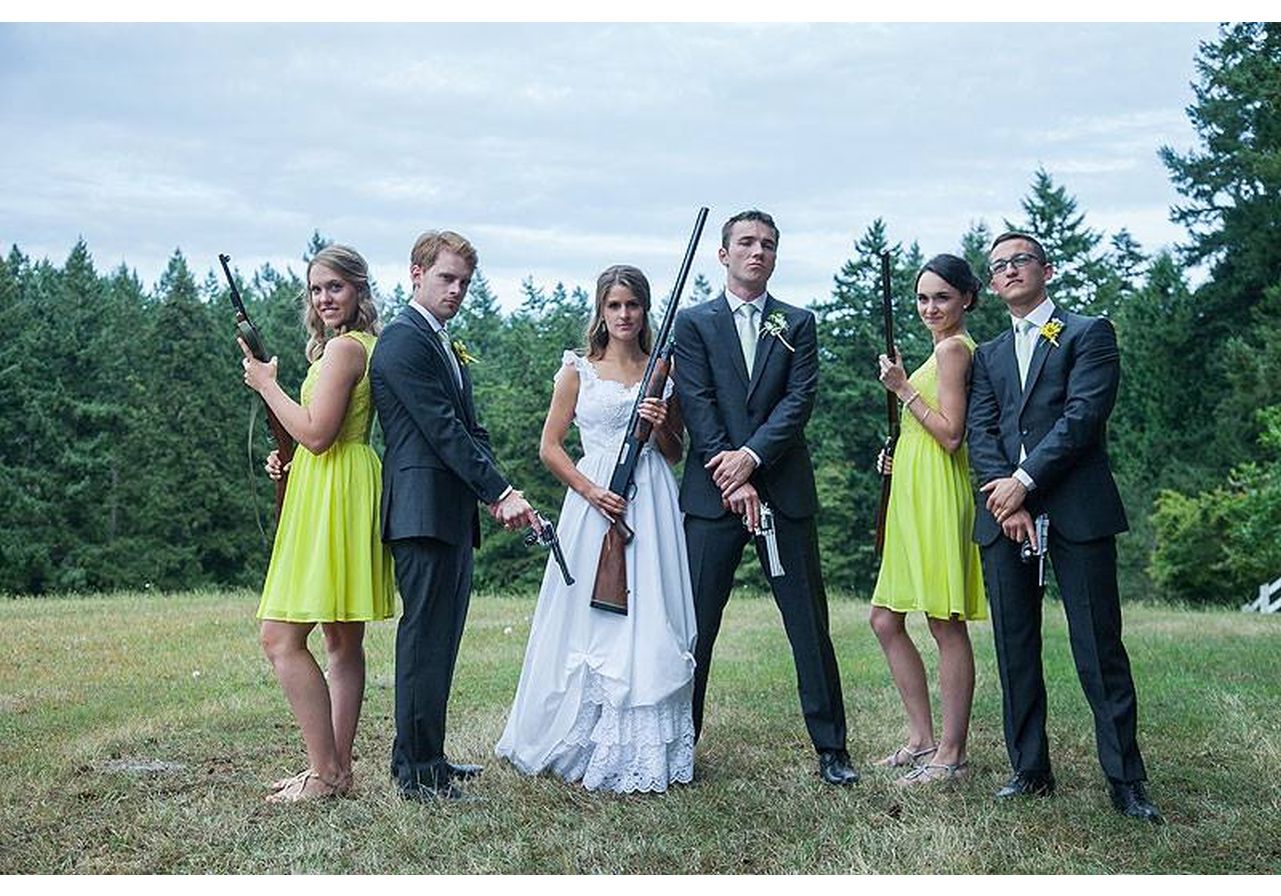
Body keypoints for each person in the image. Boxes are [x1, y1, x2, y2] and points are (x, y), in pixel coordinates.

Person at [966, 231, 1162, 823]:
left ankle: (1125, 780)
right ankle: (1029, 770)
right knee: (1014, 645)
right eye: (998, 266)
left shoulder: (1088, 333)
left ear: (1046, 269)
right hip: (1005, 515)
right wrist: (1006, 498)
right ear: (992, 284)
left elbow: (1082, 418)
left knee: (1098, 645)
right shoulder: (987, 355)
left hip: (1077, 507)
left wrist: (1024, 482)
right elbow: (981, 429)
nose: (1009, 270)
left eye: (1020, 260)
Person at [495, 265, 697, 793]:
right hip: (593, 503)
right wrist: (591, 492)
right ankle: (580, 742)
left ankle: (640, 746)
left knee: (651, 610)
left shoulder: (663, 371)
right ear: (601, 312)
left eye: (633, 305)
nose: (624, 315)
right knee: (587, 618)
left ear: (645, 310)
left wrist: (661, 423)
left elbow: (673, 452)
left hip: (651, 498)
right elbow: (550, 447)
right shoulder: (578, 370)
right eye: (614, 305)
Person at [673, 209, 857, 786]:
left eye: (769, 244)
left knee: (808, 624)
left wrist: (751, 459)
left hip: (783, 489)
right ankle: (679, 745)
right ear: (723, 254)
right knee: (695, 626)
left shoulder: (797, 323)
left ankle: (832, 749)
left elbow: (798, 402)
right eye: (747, 242)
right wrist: (731, 474)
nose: (759, 251)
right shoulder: (693, 323)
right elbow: (697, 401)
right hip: (712, 496)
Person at [370, 229, 540, 802]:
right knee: (424, 641)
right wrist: (499, 491)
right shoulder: (403, 340)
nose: (457, 290)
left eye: (465, 282)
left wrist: (498, 492)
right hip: (420, 511)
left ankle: (426, 758)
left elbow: (470, 429)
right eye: (446, 278)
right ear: (416, 273)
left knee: (440, 641)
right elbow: (441, 429)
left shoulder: (439, 340)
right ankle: (418, 774)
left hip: (449, 510)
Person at [239, 244, 395, 803]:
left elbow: (317, 434)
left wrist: (267, 384)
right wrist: (287, 457)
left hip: (333, 490)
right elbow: (312, 433)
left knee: (279, 637)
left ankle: (324, 772)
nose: (324, 298)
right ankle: (336, 772)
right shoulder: (356, 346)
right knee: (341, 641)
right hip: (340, 483)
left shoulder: (345, 350)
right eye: (316, 289)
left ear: (359, 290)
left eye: (335, 286)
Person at [870, 254, 986, 786]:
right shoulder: (938, 350)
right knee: (885, 619)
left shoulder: (953, 350)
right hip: (912, 492)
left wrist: (902, 388)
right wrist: (897, 454)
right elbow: (925, 430)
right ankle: (921, 739)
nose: (930, 307)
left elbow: (951, 434)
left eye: (942, 297)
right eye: (922, 298)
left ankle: (951, 752)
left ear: (967, 298)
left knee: (944, 622)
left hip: (939, 493)